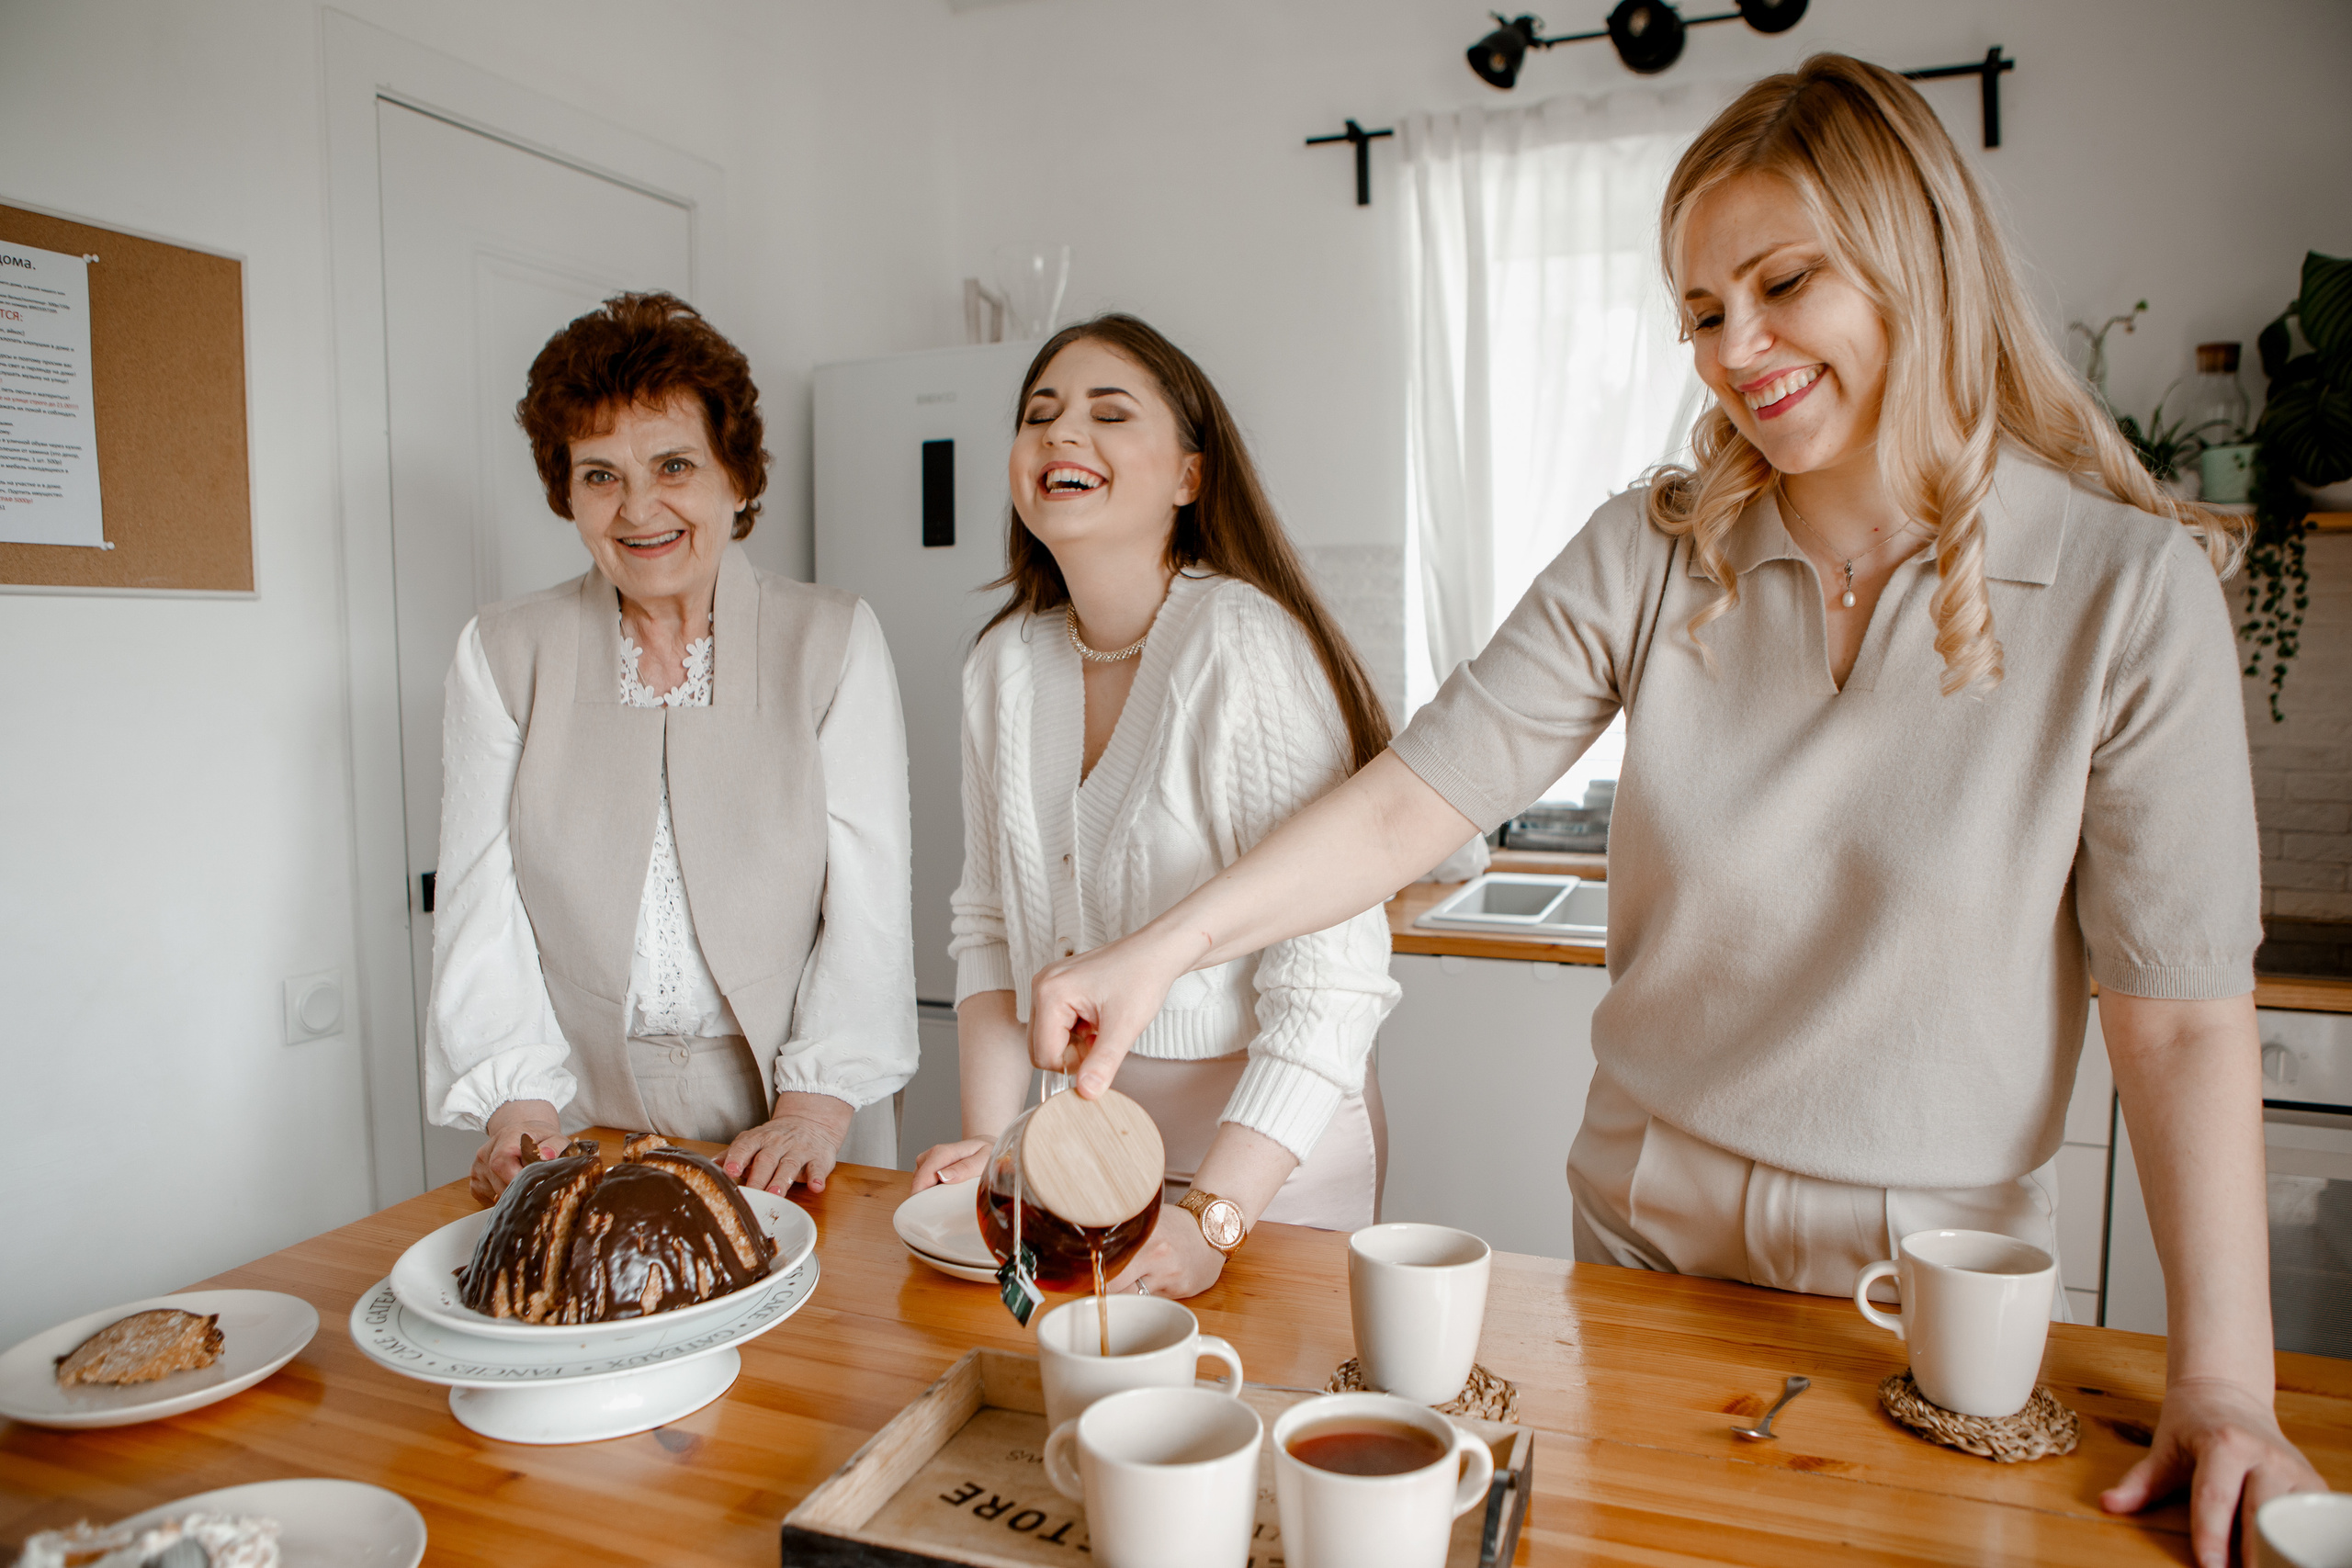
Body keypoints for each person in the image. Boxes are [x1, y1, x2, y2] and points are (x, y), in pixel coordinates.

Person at [1021, 58, 2324, 1563]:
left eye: (1781, 285)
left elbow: (2178, 1018)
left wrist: (2227, 1380)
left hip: (1934, 1276)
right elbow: (1409, 806)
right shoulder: (1653, 552)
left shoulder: (2126, 590)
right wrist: (1153, 955)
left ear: (1920, 265)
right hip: (1642, 1224)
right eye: (1703, 311)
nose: (1736, 349)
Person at [910, 314, 1400, 1298]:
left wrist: (1214, 1216)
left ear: (1188, 476)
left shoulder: (1242, 647)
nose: (1059, 434)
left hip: (1266, 1151)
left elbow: (1329, 985)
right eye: (1039, 415)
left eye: (1107, 412)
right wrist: (991, 1138)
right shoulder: (1000, 665)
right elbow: (989, 926)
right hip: (1078, 1145)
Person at [424, 291, 917, 1204]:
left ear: (736, 475)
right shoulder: (501, 652)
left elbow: (869, 892)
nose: (638, 507)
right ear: (565, 493)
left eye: (674, 464)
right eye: (600, 475)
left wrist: (815, 1103)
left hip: (795, 1105)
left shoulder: (832, 639)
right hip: (581, 1107)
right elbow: (477, 900)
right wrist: (518, 1101)